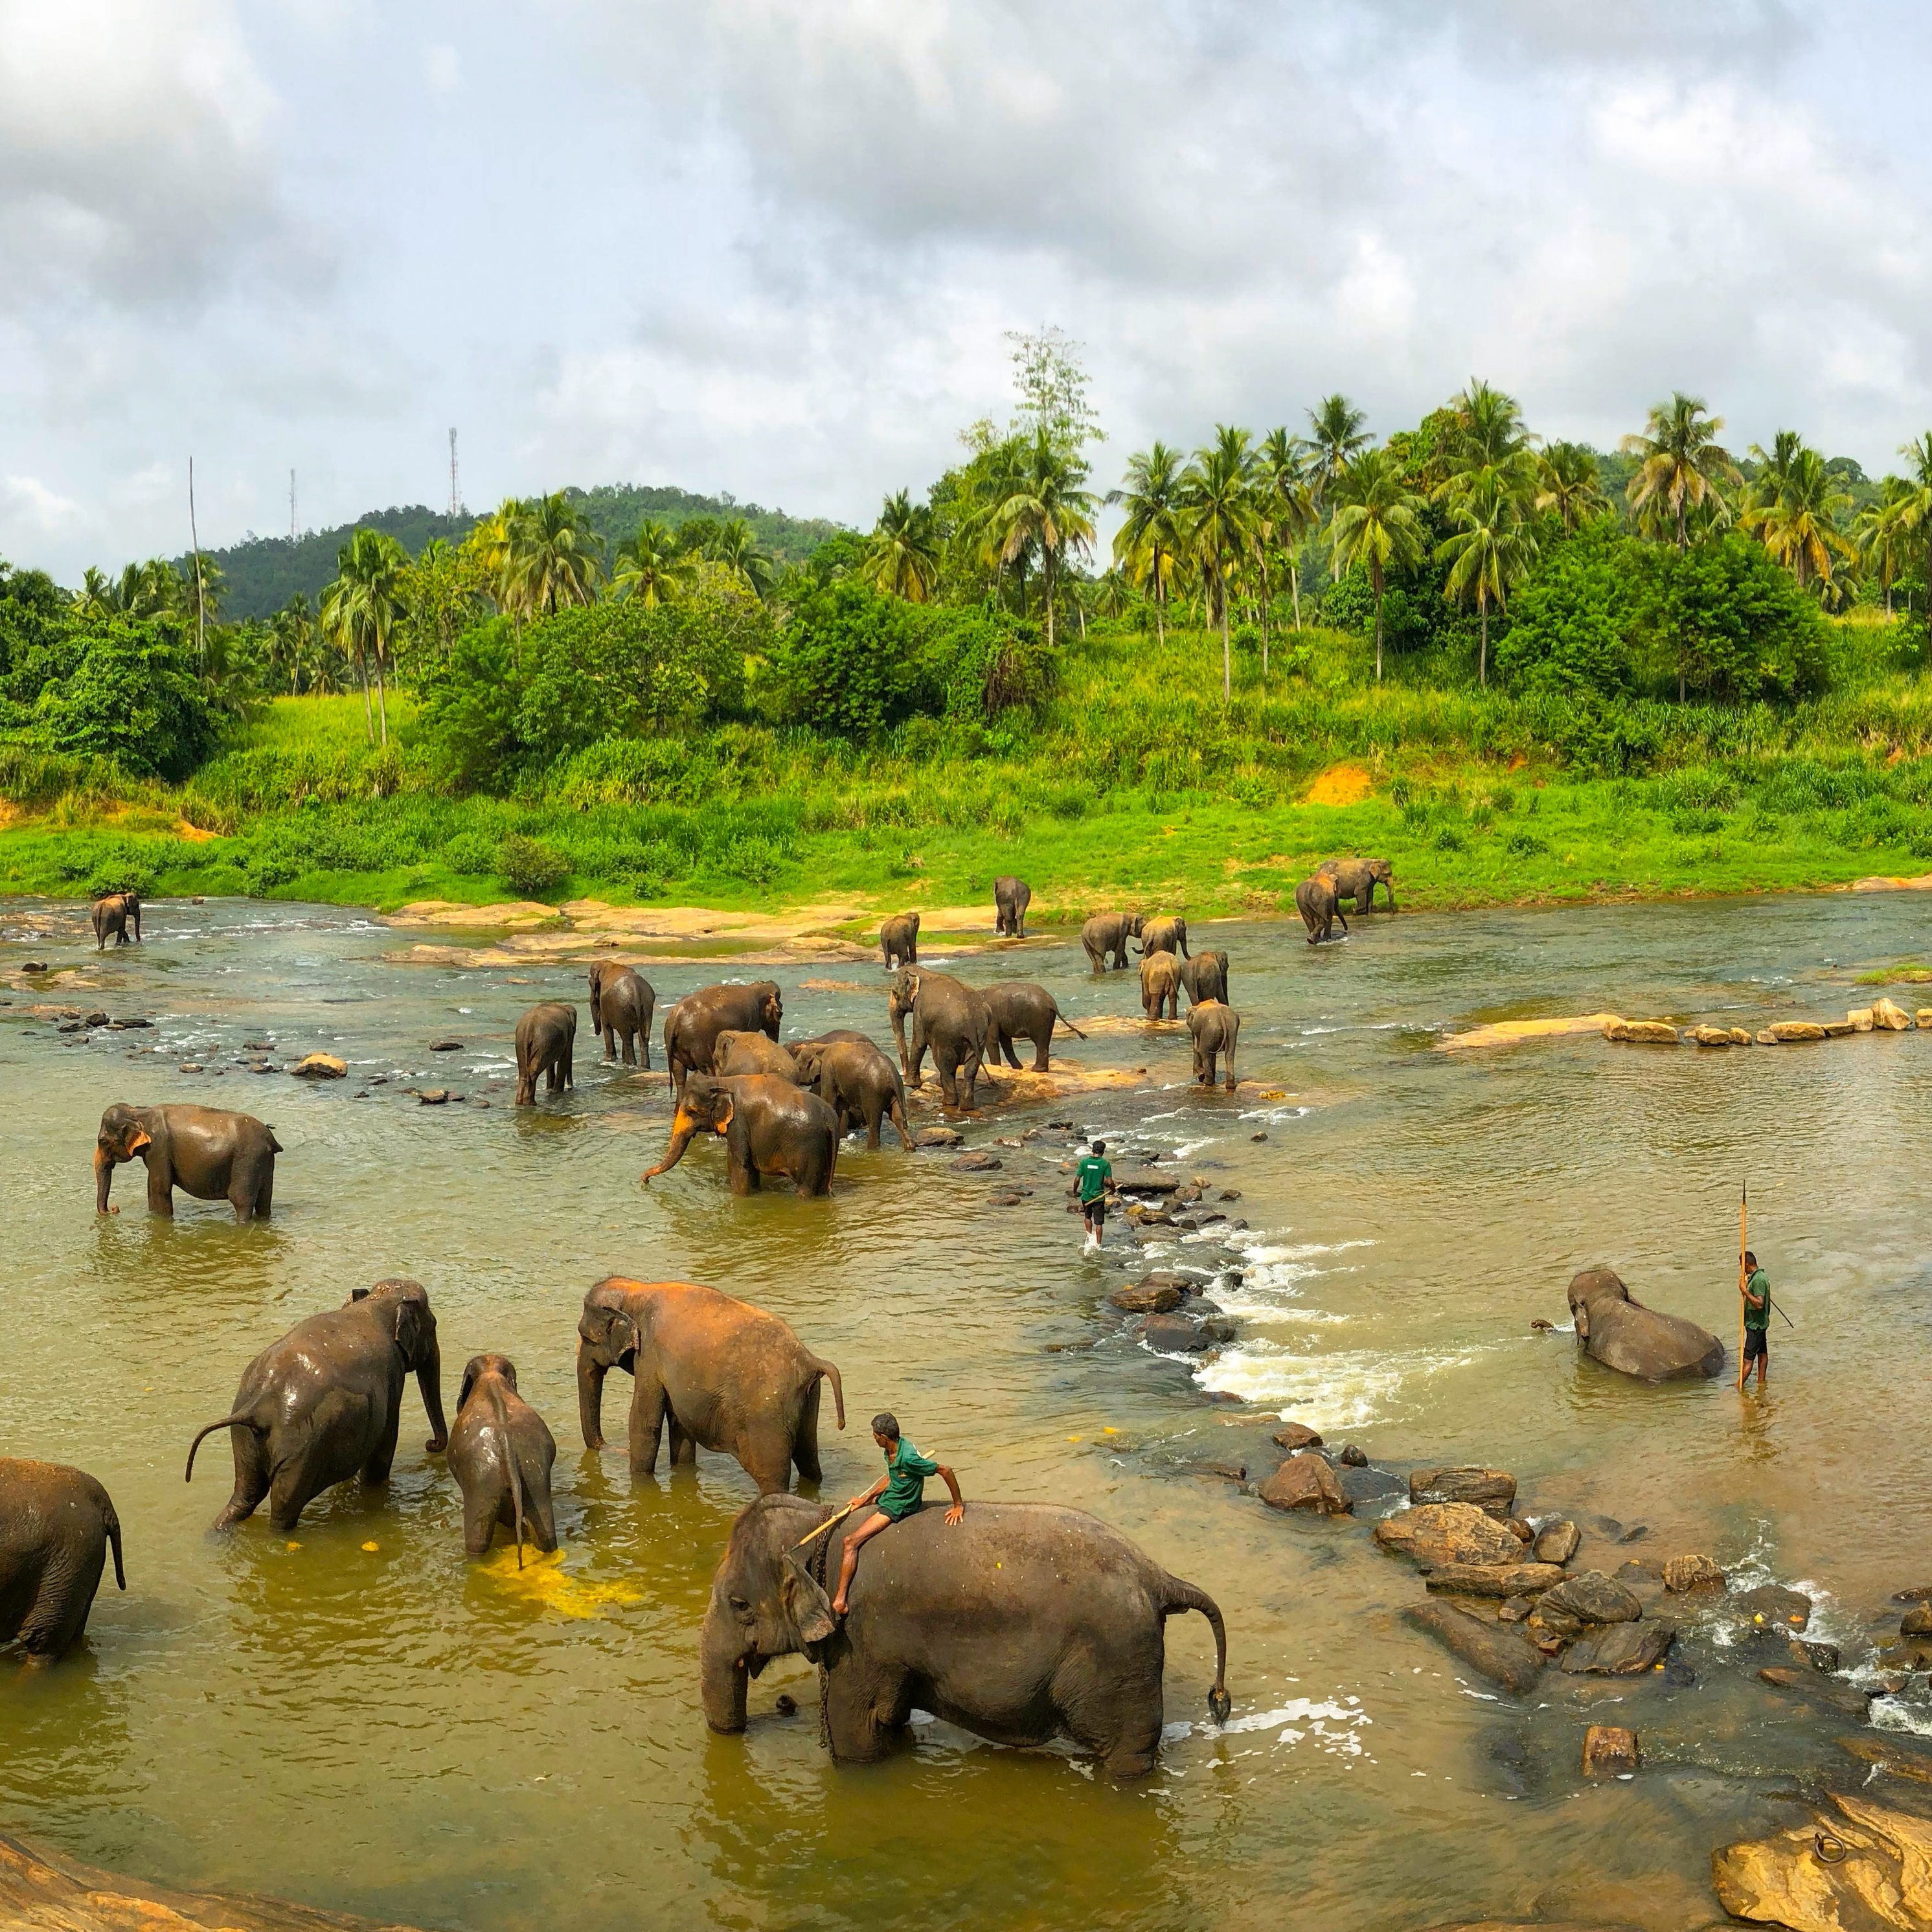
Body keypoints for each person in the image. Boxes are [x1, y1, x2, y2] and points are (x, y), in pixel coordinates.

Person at [830, 1412, 963, 1617]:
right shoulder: (893, 1449)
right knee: (859, 1505)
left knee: (850, 1542)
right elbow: (890, 1478)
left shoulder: (908, 1458)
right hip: (894, 1493)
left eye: (875, 1435)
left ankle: (841, 1599)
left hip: (900, 1505)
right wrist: (865, 1499)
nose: (873, 1438)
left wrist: (958, 1505)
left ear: (884, 1437)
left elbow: (946, 1470)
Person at [1740, 1249, 1771, 1390]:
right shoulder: (1760, 1276)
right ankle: (1761, 1383)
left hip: (1755, 1325)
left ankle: (1738, 1387)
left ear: (1747, 1265)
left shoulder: (1758, 1280)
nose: (1741, 1269)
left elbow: (1759, 1304)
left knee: (1748, 1359)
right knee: (1762, 1353)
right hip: (1760, 1323)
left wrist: (1745, 1291)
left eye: (1742, 1266)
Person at [1076, 1137, 1113, 1253]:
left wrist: (1074, 1192)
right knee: (1099, 1222)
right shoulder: (1105, 1164)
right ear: (1103, 1151)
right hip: (1098, 1197)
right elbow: (1109, 1181)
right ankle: (1098, 1244)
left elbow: (1077, 1179)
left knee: (1087, 1217)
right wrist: (1113, 1190)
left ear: (1092, 1150)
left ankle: (1089, 1237)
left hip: (1086, 1196)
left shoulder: (1084, 1162)